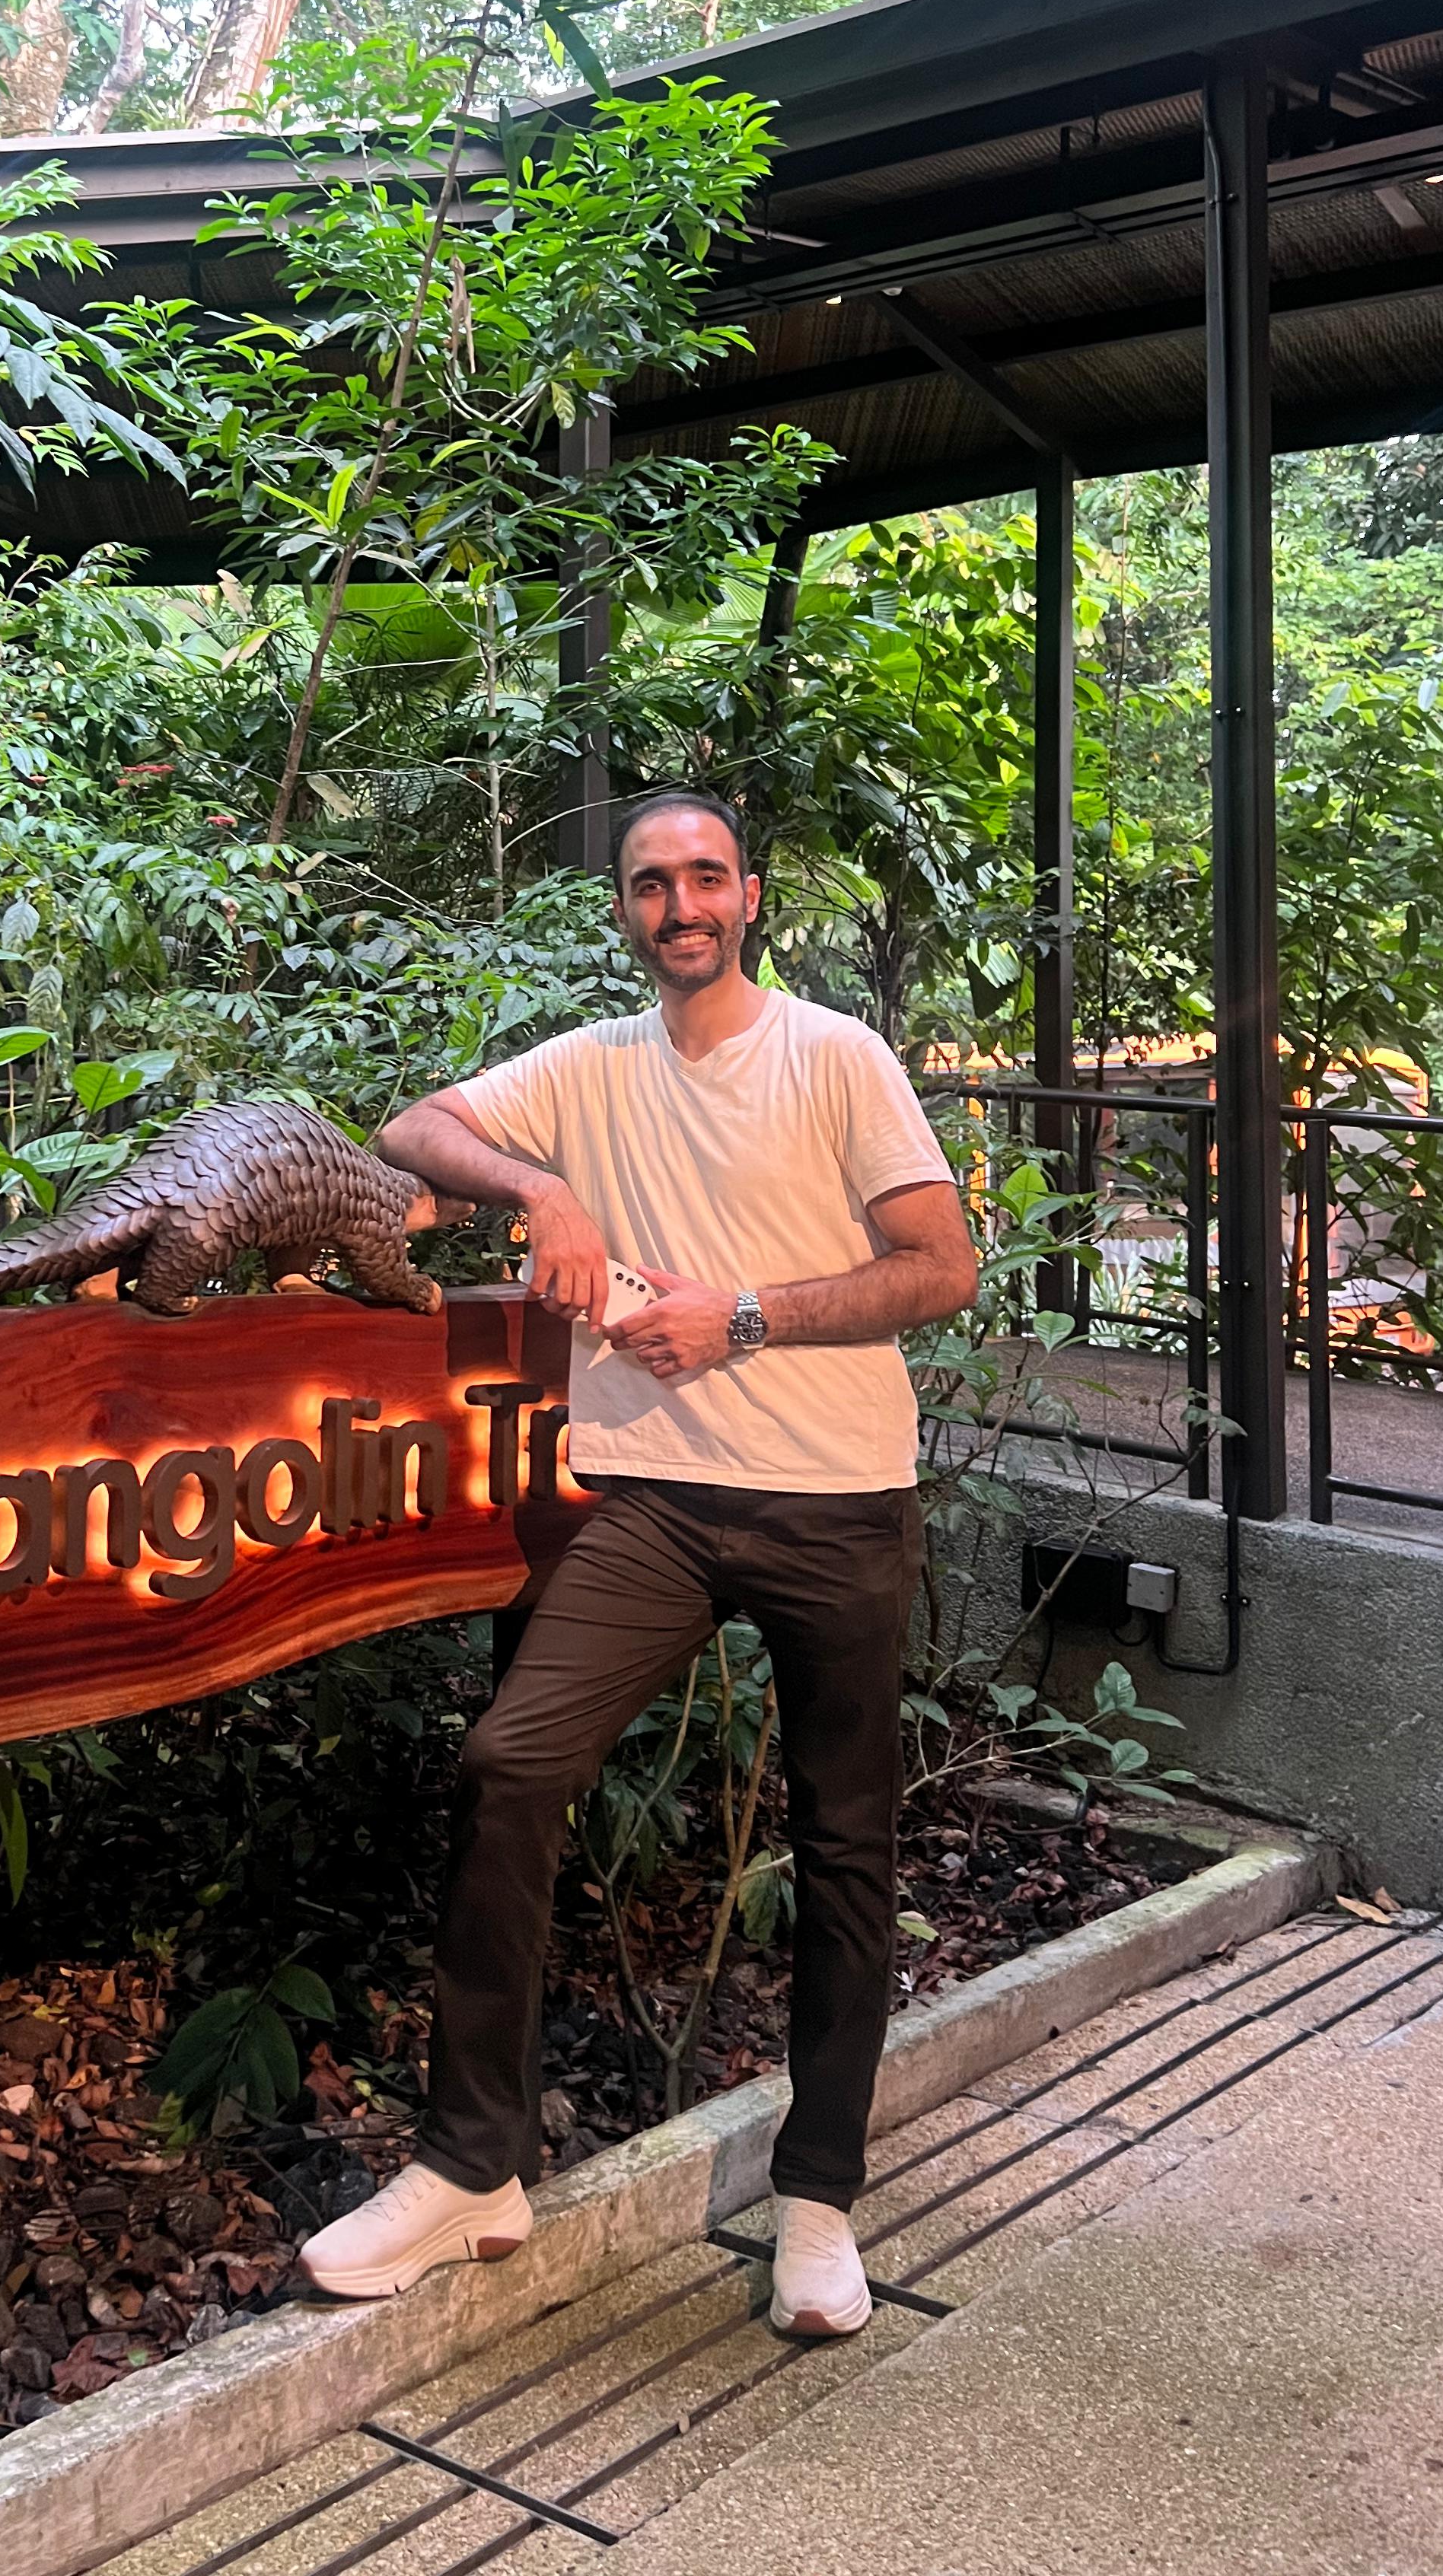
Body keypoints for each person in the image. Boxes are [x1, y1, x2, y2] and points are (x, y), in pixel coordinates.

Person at [298, 785, 978, 2335]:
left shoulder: (834, 1058)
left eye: (706, 879)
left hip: (832, 1499)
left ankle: (818, 2203)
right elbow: (413, 1130)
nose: (680, 906)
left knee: (846, 1848)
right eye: (650, 884)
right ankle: (475, 2166)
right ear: (624, 910)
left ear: (752, 898)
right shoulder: (591, 1067)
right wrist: (546, 1190)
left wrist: (739, 1314)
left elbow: (939, 1268)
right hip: (653, 1503)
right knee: (512, 1764)